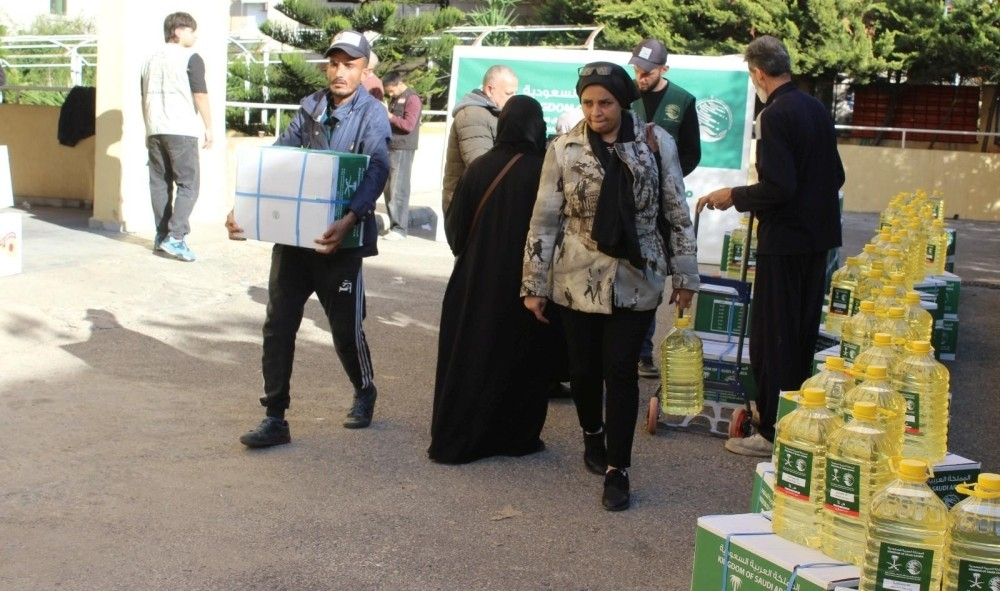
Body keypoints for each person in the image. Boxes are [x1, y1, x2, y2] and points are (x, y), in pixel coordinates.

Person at [521, 62, 699, 511]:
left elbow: (676, 209)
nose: (596, 111)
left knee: (620, 371)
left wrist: (686, 276)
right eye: (588, 103)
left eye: (605, 103)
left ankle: (619, 470)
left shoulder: (656, 143)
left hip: (636, 273)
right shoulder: (564, 148)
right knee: (583, 371)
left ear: (622, 102)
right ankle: (592, 433)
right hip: (576, 274)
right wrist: (533, 283)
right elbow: (543, 219)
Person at [228, 30, 391, 448]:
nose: (339, 71)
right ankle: (274, 416)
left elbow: (376, 169)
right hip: (296, 240)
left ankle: (364, 389)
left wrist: (351, 216)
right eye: (334, 63)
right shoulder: (311, 108)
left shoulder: (372, 114)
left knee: (345, 330)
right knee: (278, 325)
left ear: (364, 70)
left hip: (342, 243)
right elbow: (276, 160)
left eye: (349, 64)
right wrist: (243, 208)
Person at [696, 35, 844, 457]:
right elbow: (835, 175)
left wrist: (735, 195)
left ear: (758, 74)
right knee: (798, 335)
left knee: (773, 337)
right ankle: (797, 425)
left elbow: (779, 186)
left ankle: (772, 432)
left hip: (786, 240)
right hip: (817, 240)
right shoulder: (816, 107)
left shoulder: (775, 115)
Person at [429, 96, 557, 464]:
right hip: (525, 285)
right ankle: (514, 437)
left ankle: (460, 439)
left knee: (471, 356)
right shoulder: (544, 171)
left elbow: (456, 231)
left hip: (474, 281)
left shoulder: (480, 167)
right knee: (519, 358)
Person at [629, 38, 702, 379]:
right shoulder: (625, 95)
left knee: (653, 276)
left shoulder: (683, 101)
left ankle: (643, 352)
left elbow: (692, 153)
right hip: (627, 200)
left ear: (664, 69)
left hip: (661, 203)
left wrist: (666, 174)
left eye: (648, 72)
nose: (641, 77)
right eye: (638, 70)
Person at [141, 12, 213, 263]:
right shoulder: (190, 57)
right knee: (189, 184)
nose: (195, 36)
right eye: (192, 31)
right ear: (179, 30)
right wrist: (209, 126)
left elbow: (144, 97)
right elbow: (200, 94)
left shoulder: (149, 60)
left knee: (160, 184)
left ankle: (162, 237)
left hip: (154, 129)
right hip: (181, 129)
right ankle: (176, 236)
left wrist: (147, 129)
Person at [441, 64, 518, 226]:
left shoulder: (492, 114)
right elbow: (480, 165)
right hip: (469, 207)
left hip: (479, 204)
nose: (513, 98)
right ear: (490, 90)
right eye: (508, 93)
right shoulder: (473, 115)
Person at [381, 70, 423, 240]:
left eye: (391, 90)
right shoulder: (395, 99)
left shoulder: (412, 99)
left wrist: (389, 115)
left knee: (399, 188)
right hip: (391, 146)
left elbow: (408, 125)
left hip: (403, 148)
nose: (390, 94)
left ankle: (400, 229)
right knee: (388, 189)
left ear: (399, 83)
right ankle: (394, 225)